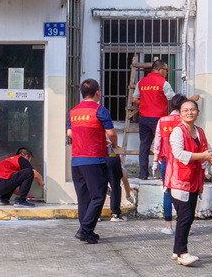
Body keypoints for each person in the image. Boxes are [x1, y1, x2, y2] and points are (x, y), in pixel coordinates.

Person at [165, 99, 212, 266]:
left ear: (197, 112)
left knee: (187, 218)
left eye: (192, 110)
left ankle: (176, 251)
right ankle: (182, 254)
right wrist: (203, 156)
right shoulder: (177, 132)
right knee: (185, 217)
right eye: (185, 110)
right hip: (179, 181)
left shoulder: (200, 131)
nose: (189, 112)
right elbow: (179, 154)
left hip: (194, 181)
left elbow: (207, 149)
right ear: (180, 113)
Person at [67, 79, 120, 244]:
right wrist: (115, 144)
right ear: (97, 92)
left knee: (84, 197)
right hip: (93, 158)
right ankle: (84, 230)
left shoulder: (73, 111)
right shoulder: (100, 110)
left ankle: (88, 231)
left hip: (76, 159)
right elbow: (111, 133)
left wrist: (83, 137)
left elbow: (70, 133)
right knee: (98, 195)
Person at [132, 60, 199, 179]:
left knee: (144, 146)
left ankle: (143, 174)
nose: (167, 72)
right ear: (159, 70)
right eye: (166, 70)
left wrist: (148, 103)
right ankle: (165, 173)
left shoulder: (141, 82)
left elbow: (134, 99)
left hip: (144, 119)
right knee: (164, 146)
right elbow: (175, 100)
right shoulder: (163, 83)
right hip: (158, 119)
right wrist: (191, 99)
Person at [152, 94, 187, 235]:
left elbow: (157, 143)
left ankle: (168, 227)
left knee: (167, 192)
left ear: (172, 105)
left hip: (166, 160)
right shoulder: (186, 120)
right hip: (184, 162)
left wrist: (155, 161)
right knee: (184, 193)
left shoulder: (163, 121)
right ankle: (183, 225)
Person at [105, 142, 128, 222]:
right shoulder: (112, 150)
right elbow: (124, 176)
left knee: (98, 187)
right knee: (115, 186)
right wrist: (128, 195)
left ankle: (96, 215)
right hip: (111, 157)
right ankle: (116, 214)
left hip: (94, 157)